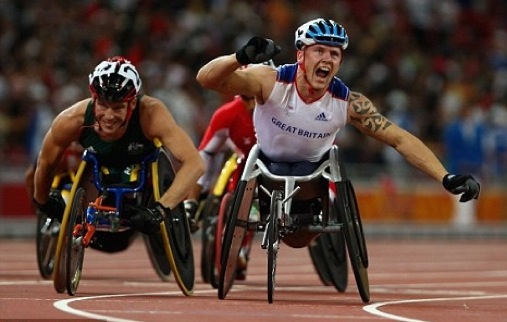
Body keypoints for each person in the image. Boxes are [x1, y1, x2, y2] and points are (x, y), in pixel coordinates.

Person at [196, 18, 480, 246]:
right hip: (264, 171)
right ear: (301, 55)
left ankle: (316, 230)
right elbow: (206, 79)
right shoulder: (268, 81)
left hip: (311, 182)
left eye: (335, 54)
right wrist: (240, 56)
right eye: (319, 51)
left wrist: (446, 177)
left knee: (300, 240)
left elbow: (399, 139)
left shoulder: (348, 103)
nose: (328, 59)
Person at [32, 56, 205, 251]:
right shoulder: (71, 120)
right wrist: (43, 201)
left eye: (118, 107)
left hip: (142, 180)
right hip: (100, 178)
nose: (109, 115)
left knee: (124, 239)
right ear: (93, 98)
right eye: (103, 105)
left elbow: (195, 163)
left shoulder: (151, 114)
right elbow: (45, 162)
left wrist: (160, 210)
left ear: (132, 104)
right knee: (112, 244)